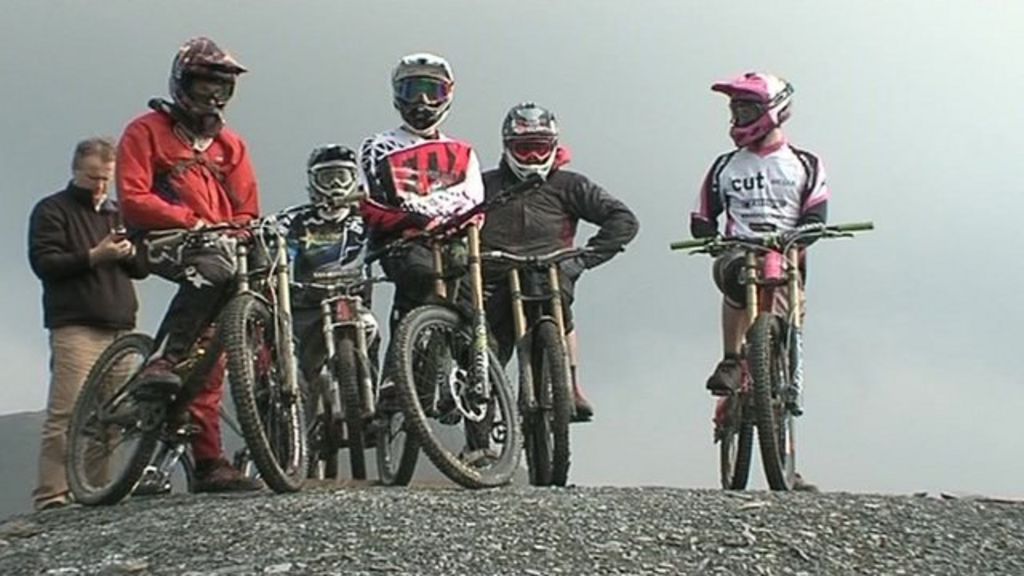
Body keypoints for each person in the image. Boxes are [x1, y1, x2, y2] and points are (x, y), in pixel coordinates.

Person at [116, 37, 262, 492]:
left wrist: (239, 231)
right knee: (214, 270)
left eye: (223, 88)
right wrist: (194, 220)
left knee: (218, 346)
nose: (214, 96)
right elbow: (134, 198)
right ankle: (161, 360)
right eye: (204, 85)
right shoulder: (145, 131)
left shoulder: (230, 145)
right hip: (161, 237)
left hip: (218, 242)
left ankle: (208, 462)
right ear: (183, 82)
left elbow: (247, 209)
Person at [690, 72, 829, 491]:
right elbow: (702, 215)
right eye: (735, 110)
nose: (739, 116)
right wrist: (705, 234)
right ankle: (732, 360)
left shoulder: (805, 163)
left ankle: (785, 443)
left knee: (786, 348)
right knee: (737, 275)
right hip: (739, 253)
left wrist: (805, 233)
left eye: (747, 109)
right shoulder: (725, 166)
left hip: (786, 259)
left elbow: (816, 214)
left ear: (773, 111)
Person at [480, 102, 639, 422]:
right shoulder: (483, 184)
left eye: (540, 149)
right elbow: (454, 219)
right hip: (494, 275)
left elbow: (622, 219)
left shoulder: (570, 184)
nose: (533, 158)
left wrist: (585, 258)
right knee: (484, 344)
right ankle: (480, 403)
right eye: (524, 150)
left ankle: (569, 384)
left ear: (554, 146)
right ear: (508, 147)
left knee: (560, 309)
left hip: (552, 270)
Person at [28, 137, 146, 510]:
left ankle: (97, 489)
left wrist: (129, 253)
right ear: (75, 170)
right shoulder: (52, 210)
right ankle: (52, 494)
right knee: (66, 412)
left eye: (105, 179)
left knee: (111, 417)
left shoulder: (119, 213)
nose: (99, 186)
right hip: (75, 325)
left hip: (120, 326)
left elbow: (142, 268)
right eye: (93, 177)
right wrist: (96, 255)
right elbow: (45, 264)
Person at [357, 52, 485, 332]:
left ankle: (471, 369)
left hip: (453, 240)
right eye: (413, 91)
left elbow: (476, 203)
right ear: (398, 94)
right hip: (403, 241)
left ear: (447, 95)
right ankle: (401, 367)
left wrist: (460, 226)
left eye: (432, 91)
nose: (422, 102)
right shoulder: (378, 146)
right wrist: (409, 221)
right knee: (420, 280)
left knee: (471, 315)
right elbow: (368, 203)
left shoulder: (463, 152)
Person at [286, 144, 370, 385]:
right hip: (306, 305)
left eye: (342, 177)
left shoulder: (365, 220)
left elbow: (385, 244)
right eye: (328, 178)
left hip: (352, 301)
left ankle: (370, 394)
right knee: (302, 368)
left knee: (370, 328)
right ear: (314, 181)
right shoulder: (298, 220)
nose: (335, 186)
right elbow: (280, 250)